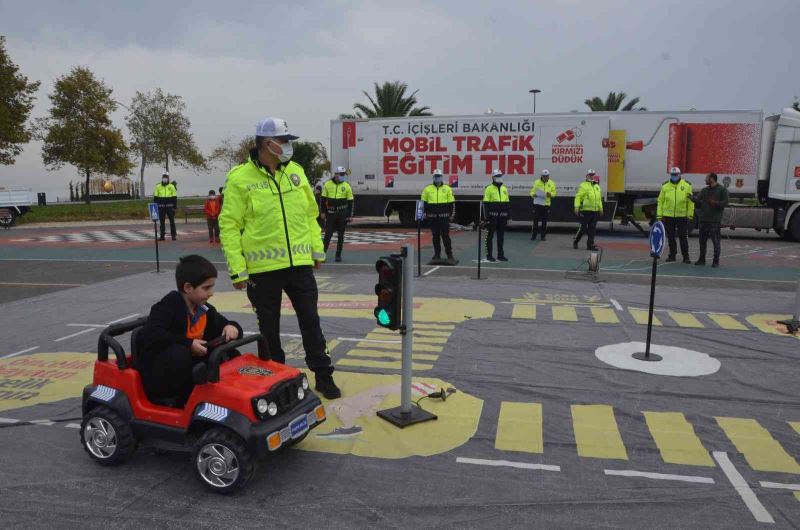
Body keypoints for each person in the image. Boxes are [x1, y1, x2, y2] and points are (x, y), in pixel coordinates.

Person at [218, 117, 340, 399]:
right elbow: (229, 225)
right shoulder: (240, 178)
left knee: (311, 322)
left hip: (299, 266)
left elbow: (310, 216)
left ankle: (323, 375)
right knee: (269, 331)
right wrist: (238, 269)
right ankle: (277, 381)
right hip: (262, 270)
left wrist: (316, 250)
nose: (288, 146)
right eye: (284, 141)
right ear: (267, 144)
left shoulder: (296, 173)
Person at [135, 255, 242, 407]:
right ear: (187, 288)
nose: (211, 293)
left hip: (191, 367)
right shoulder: (168, 306)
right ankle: (181, 403)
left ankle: (235, 394)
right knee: (180, 354)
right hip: (161, 374)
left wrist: (231, 327)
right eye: (206, 288)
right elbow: (151, 334)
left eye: (212, 287)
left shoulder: (203, 308)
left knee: (230, 353)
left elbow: (223, 323)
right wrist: (188, 344)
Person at [657, 167, 693, 263]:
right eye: (672, 175)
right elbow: (660, 201)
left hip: (682, 216)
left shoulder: (687, 185)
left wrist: (690, 215)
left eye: (676, 174)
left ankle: (686, 257)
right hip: (668, 216)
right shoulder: (665, 186)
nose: (674, 176)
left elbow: (690, 202)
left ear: (680, 174)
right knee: (671, 237)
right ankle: (672, 255)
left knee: (683, 237)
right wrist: (659, 215)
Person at [421, 168, 457, 265]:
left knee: (445, 236)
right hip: (433, 218)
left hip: (444, 218)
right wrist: (423, 214)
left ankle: (449, 255)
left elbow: (452, 204)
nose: (437, 178)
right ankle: (437, 255)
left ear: (441, 177)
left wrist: (451, 216)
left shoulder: (447, 188)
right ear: (433, 177)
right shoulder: (427, 189)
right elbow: (423, 203)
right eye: (436, 176)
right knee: (435, 237)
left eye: (439, 176)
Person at [693, 172, 728, 268]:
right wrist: (693, 199)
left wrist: (715, 203)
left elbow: (725, 203)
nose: (705, 180)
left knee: (716, 242)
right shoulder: (704, 190)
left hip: (715, 221)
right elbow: (697, 199)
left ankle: (715, 261)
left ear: (712, 178)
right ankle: (701, 259)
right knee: (702, 241)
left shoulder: (722, 190)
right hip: (703, 220)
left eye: (706, 178)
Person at [321, 166, 354, 262]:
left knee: (341, 235)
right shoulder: (327, 185)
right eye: (341, 174)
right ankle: (322, 255)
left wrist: (350, 215)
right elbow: (323, 200)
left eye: (344, 174)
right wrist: (322, 212)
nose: (343, 176)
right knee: (328, 235)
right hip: (331, 213)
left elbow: (350, 201)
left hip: (342, 213)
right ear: (336, 174)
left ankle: (338, 255)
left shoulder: (347, 186)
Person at [483, 169, 510, 262]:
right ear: (493, 178)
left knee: (501, 237)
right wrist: (486, 218)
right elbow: (485, 204)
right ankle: (489, 255)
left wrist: (508, 216)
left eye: (500, 176)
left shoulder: (504, 189)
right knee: (489, 236)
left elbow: (507, 203)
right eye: (497, 176)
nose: (499, 178)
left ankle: (500, 255)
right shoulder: (488, 188)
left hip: (502, 217)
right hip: (492, 217)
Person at [573, 170, 603, 251]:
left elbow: (599, 198)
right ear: (586, 176)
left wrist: (601, 208)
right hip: (585, 211)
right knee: (582, 228)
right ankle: (576, 241)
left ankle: (590, 245)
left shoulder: (597, 186)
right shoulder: (583, 185)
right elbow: (578, 197)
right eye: (590, 175)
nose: (592, 176)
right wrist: (576, 207)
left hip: (595, 211)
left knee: (592, 229)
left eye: (593, 175)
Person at [530, 169, 557, 241]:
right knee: (535, 221)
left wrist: (550, 194)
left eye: (547, 176)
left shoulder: (552, 183)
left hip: (546, 205)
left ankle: (543, 236)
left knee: (544, 221)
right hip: (537, 204)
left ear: (549, 176)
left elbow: (554, 193)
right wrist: (533, 195)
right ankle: (533, 236)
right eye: (544, 176)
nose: (545, 177)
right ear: (541, 176)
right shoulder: (536, 182)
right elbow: (531, 192)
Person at [154, 172, 177, 241]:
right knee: (162, 222)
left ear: (168, 178)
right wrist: (156, 206)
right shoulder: (158, 186)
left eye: (166, 178)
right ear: (162, 178)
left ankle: (173, 235)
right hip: (161, 207)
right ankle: (162, 236)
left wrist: (174, 207)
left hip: (170, 206)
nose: (165, 179)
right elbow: (155, 198)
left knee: (172, 221)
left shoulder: (171, 186)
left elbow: (174, 197)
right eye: (164, 178)